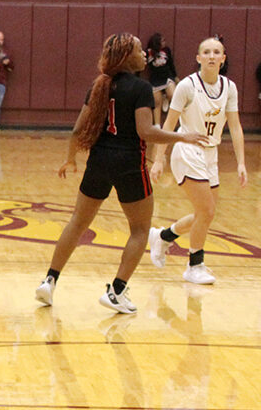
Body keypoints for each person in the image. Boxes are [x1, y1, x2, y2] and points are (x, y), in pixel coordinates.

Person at [34, 33, 209, 312]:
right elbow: (146, 131)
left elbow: (78, 130)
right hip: (130, 164)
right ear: (128, 57)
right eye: (140, 50)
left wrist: (70, 160)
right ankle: (117, 291)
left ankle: (49, 281)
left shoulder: (99, 85)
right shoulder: (141, 88)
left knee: (78, 222)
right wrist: (183, 137)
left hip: (99, 161)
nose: (144, 55)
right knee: (140, 230)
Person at [147, 36, 248, 284]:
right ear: (198, 58)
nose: (212, 56)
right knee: (207, 210)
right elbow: (169, 124)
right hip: (187, 149)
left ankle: (162, 236)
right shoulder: (187, 86)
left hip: (210, 153)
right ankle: (195, 265)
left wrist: (241, 162)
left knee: (205, 214)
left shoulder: (230, 87)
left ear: (223, 58)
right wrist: (159, 159)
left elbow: (234, 127)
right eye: (206, 52)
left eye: (216, 52)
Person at [144, 33, 177, 126]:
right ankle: (157, 125)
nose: (165, 42)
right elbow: (142, 65)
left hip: (167, 77)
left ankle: (170, 123)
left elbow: (171, 64)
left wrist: (175, 76)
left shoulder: (167, 50)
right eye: (162, 41)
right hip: (155, 80)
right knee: (157, 102)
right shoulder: (148, 52)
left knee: (173, 96)